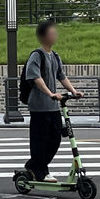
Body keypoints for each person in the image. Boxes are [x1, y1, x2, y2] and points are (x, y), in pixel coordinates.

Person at [25, 20, 83, 183]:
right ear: (43, 36)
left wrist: (73, 91)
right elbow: (35, 77)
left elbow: (61, 76)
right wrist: (51, 93)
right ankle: (40, 170)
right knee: (40, 140)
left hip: (52, 106)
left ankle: (35, 166)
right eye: (52, 32)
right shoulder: (37, 55)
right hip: (39, 106)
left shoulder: (55, 56)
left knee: (55, 138)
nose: (55, 35)